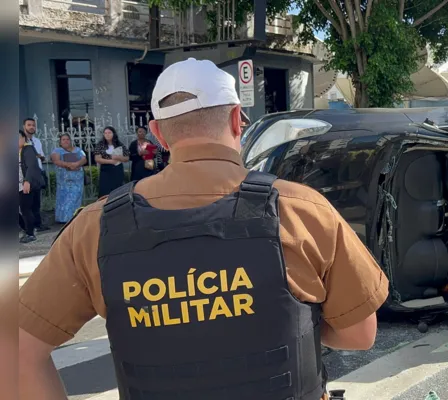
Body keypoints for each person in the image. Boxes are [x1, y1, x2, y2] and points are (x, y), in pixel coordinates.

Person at [18, 57, 389, 400]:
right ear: (235, 120)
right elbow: (360, 334)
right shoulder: (300, 209)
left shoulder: (94, 227)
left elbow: (18, 351)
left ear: (158, 133)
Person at [50, 133, 87, 223]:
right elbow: (56, 160)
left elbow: (84, 159)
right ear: (60, 142)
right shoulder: (57, 150)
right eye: (63, 139)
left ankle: (74, 217)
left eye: (67, 139)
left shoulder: (78, 150)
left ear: (70, 141)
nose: (66, 141)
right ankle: (63, 219)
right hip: (64, 181)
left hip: (77, 180)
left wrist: (76, 164)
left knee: (76, 197)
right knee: (64, 199)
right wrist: (69, 165)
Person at [22, 118, 50, 232]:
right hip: (27, 173)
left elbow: (41, 156)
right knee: (27, 203)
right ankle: (28, 227)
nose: (31, 127)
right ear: (24, 126)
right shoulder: (21, 141)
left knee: (36, 202)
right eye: (29, 125)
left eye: (33, 125)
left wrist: (39, 156)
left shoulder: (37, 141)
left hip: (38, 173)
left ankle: (38, 224)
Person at [18, 131, 45, 243]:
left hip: (25, 184)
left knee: (26, 208)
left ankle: (30, 233)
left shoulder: (28, 149)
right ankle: (27, 228)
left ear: (24, 138)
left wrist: (27, 181)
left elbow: (32, 166)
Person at [94, 126, 130, 197]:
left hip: (117, 169)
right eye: (105, 133)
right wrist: (111, 161)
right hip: (106, 170)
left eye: (109, 133)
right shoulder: (100, 145)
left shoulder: (119, 144)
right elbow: (97, 159)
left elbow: (127, 158)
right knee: (105, 190)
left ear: (113, 134)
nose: (107, 134)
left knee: (117, 189)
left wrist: (118, 157)